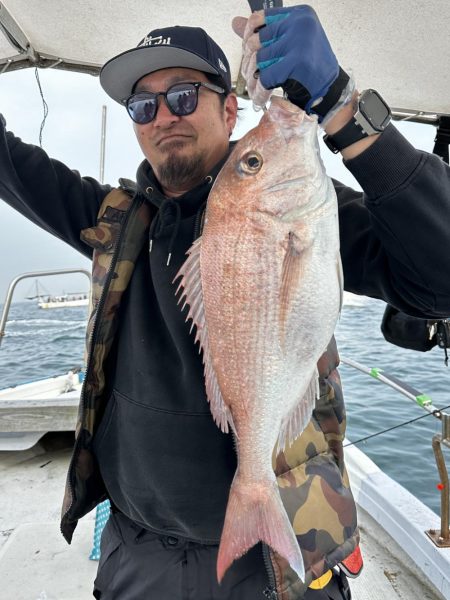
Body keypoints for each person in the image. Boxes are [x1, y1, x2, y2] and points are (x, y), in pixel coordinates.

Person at [1, 5, 450, 600]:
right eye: (143, 106)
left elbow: (438, 279)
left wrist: (343, 106)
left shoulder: (298, 206)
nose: (163, 116)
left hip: (283, 554)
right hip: (138, 550)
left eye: (184, 95)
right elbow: (12, 166)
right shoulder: (112, 221)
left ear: (230, 107)